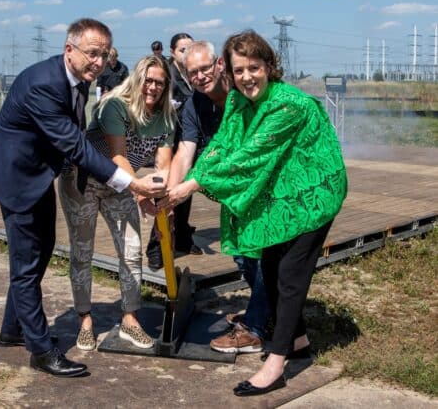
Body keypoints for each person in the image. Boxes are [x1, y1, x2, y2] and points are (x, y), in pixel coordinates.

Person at [161, 30, 347, 397]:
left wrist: (191, 187)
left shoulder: (287, 105)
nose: (247, 77)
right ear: (229, 72)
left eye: (254, 68)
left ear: (269, 66)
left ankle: (275, 363)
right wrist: (181, 185)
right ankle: (297, 343)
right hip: (282, 193)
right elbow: (222, 147)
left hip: (314, 193)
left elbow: (249, 156)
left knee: (290, 274)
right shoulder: (237, 103)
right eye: (240, 70)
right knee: (273, 267)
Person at [0, 18, 165, 378]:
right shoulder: (43, 84)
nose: (98, 62)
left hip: (37, 174)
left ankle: (13, 329)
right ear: (69, 49)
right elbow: (76, 144)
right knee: (26, 264)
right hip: (17, 177)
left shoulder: (77, 79)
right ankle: (41, 350)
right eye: (91, 54)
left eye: (103, 55)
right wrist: (131, 183)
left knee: (41, 249)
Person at [59, 55, 175, 351]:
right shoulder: (115, 105)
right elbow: (118, 156)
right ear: (137, 79)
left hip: (122, 184)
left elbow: (164, 166)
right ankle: (85, 318)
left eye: (159, 83)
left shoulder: (167, 117)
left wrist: (161, 203)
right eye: (148, 80)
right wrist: (141, 194)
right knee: (83, 250)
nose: (152, 87)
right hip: (84, 179)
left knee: (132, 250)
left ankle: (129, 318)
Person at [164, 40, 271, 353]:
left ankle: (255, 326)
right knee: (241, 254)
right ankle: (263, 311)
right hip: (232, 194)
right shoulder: (193, 106)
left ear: (220, 65)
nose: (200, 76)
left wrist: (192, 185)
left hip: (264, 188)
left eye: (205, 68)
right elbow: (185, 152)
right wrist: (171, 197)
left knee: (261, 254)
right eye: (192, 72)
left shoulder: (244, 94)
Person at [146, 32, 201, 269]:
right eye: (182, 50)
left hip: (189, 142)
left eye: (190, 49)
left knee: (184, 195)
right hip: (168, 142)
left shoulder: (193, 75)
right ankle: (155, 249)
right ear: (172, 51)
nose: (186, 54)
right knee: (165, 193)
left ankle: (182, 238)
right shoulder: (168, 76)